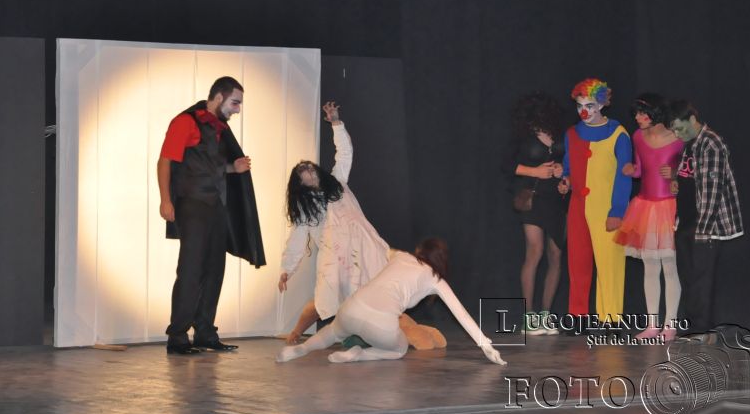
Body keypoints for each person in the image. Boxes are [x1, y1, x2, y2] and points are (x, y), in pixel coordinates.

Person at [276, 238, 507, 365]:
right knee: (400, 349)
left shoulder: (401, 256)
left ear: (419, 251)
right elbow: (462, 314)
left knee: (332, 332)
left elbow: (379, 245)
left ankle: (301, 348)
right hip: (381, 323)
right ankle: (359, 355)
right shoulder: (435, 279)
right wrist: (486, 345)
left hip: (352, 307)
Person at [158, 76, 262, 355]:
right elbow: (165, 160)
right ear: (218, 97)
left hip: (216, 206)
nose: (238, 109)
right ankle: (178, 336)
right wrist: (165, 199)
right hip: (192, 204)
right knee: (191, 269)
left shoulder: (218, 127)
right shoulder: (185, 121)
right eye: (235, 103)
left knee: (215, 269)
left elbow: (209, 166)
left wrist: (232, 168)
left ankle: (205, 332)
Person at [278, 102, 389, 344]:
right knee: (326, 300)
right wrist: (287, 269)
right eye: (304, 174)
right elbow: (297, 238)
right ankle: (296, 333)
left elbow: (345, 152)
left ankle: (367, 334)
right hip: (335, 257)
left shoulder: (337, 183)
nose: (309, 172)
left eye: (310, 168)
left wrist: (336, 123)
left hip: (360, 247)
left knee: (369, 290)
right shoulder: (307, 207)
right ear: (301, 183)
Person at [558, 78, 632, 324]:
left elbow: (623, 177)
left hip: (606, 208)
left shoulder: (619, 135)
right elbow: (568, 168)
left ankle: (610, 319)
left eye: (589, 105)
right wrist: (566, 181)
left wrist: (617, 211)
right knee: (577, 262)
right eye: (580, 106)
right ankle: (577, 317)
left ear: (602, 104)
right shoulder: (571, 134)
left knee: (609, 263)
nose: (584, 111)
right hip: (578, 207)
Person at [667, 100, 743, 332]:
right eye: (674, 131)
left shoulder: (711, 143)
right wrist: (677, 182)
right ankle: (694, 327)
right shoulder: (690, 144)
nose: (677, 134)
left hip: (704, 225)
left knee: (702, 281)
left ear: (692, 119)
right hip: (686, 220)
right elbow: (691, 178)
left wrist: (703, 230)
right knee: (689, 278)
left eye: (680, 128)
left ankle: (702, 331)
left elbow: (712, 191)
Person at [614, 94, 684, 341]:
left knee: (669, 266)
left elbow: (690, 170)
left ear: (655, 113)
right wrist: (631, 170)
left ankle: (670, 325)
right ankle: (653, 324)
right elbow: (641, 169)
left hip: (669, 206)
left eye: (642, 113)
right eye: (636, 113)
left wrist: (676, 173)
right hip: (645, 206)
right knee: (650, 267)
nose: (637, 117)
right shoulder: (638, 137)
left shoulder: (678, 138)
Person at [510, 93, 566, 335]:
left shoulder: (559, 135)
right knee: (535, 250)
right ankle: (528, 316)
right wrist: (535, 171)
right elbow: (506, 165)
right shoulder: (523, 136)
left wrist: (562, 171)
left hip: (556, 198)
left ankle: (545, 314)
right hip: (532, 198)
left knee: (556, 255)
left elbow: (568, 162)